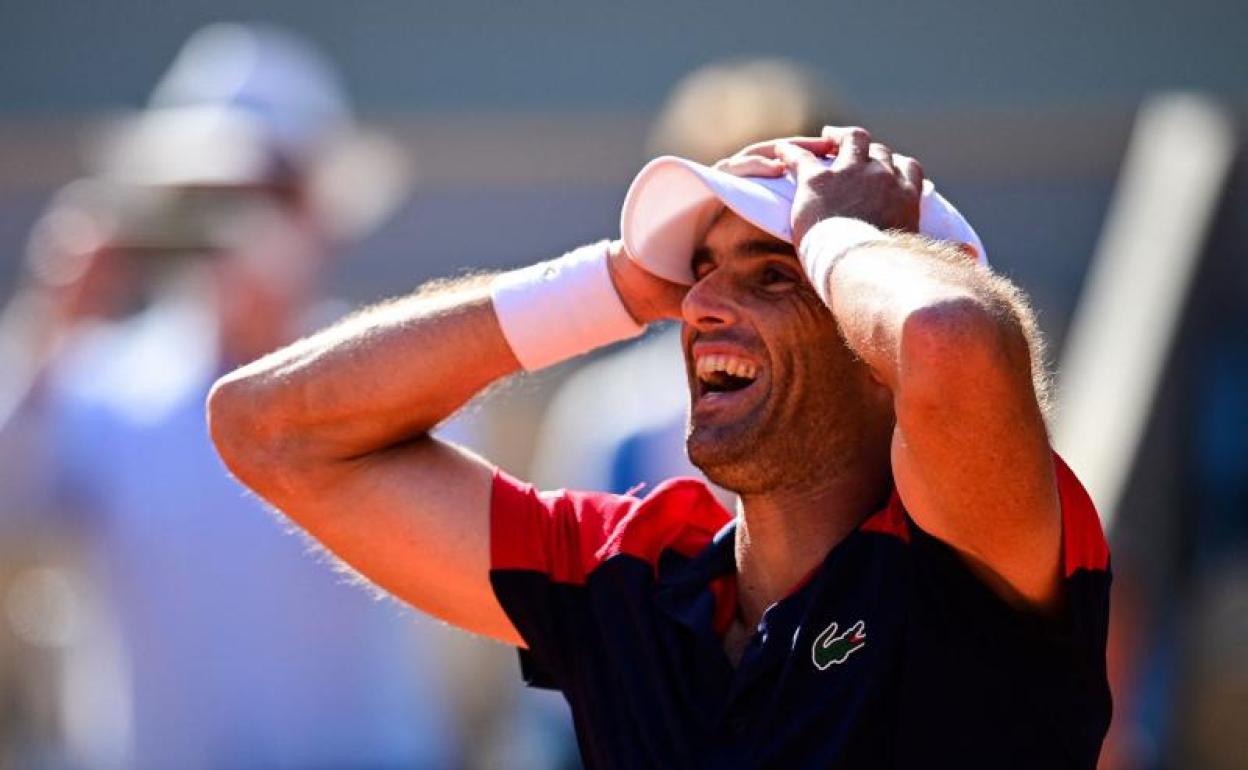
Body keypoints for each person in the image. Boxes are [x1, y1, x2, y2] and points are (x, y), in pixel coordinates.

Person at [208, 126, 1112, 767]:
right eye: (702, 272)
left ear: (875, 345)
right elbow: (270, 428)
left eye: (773, 276)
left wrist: (841, 234)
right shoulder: (631, 577)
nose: (704, 305)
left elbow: (953, 338)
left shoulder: (966, 555)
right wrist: (616, 283)